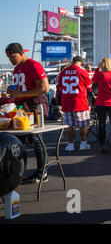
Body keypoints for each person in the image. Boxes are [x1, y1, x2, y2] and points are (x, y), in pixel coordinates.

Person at [5, 42, 49, 184]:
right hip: (21, 107)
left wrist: (21, 93)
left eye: (12, 56)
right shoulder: (17, 68)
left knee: (36, 140)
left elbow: (44, 88)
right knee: (19, 141)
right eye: (9, 57)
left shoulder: (33, 65)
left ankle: (42, 172)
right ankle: (17, 172)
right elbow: (21, 88)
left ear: (21, 53)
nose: (11, 60)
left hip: (34, 106)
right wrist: (14, 93)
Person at [57, 56, 92, 151]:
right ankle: (83, 143)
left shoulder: (63, 72)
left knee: (69, 125)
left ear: (73, 62)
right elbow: (89, 87)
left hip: (67, 102)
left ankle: (70, 144)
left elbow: (59, 89)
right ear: (80, 63)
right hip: (80, 102)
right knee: (83, 124)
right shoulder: (82, 71)